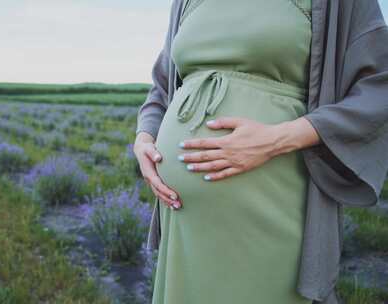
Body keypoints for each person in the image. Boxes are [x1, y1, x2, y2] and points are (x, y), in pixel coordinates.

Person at [133, 0, 388, 303]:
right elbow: (163, 85)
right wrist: (144, 137)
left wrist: (277, 139)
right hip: (184, 216)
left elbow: (378, 87)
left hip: (272, 201)